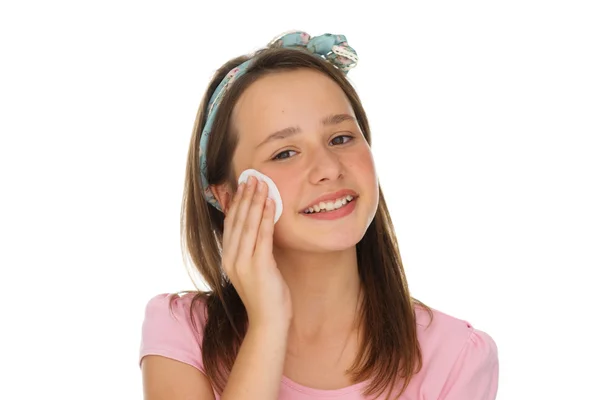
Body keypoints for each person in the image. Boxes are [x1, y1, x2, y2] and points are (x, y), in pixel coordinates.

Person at [139, 31, 499, 400]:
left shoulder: (458, 358)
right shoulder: (182, 332)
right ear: (228, 196)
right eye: (284, 153)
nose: (328, 167)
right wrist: (268, 325)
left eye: (341, 138)